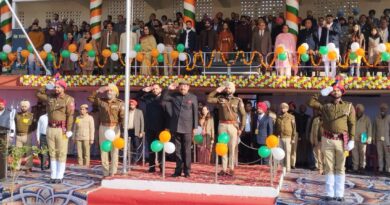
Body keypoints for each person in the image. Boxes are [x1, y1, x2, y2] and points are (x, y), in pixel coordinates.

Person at [307, 81, 356, 202]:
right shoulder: (325, 106)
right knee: (328, 167)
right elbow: (311, 102)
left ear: (342, 92)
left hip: (341, 140)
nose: (336, 91)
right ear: (331, 92)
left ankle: (339, 194)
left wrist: (352, 139)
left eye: (338, 90)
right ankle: (329, 193)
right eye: (333, 90)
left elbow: (352, 124)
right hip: (327, 139)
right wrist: (321, 92)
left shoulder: (348, 106)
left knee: (340, 167)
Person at [36, 79, 75, 184]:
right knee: (52, 152)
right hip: (50, 129)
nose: (56, 89)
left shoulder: (68, 99)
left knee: (61, 152)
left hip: (61, 129)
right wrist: (47, 85)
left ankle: (60, 175)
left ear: (63, 88)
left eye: (58, 87)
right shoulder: (50, 97)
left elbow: (70, 116)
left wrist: (69, 130)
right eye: (55, 87)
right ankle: (53, 175)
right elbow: (39, 94)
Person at [207, 82, 246, 176]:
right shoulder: (220, 98)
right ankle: (224, 168)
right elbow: (209, 99)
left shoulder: (238, 100)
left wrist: (241, 128)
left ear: (233, 89)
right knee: (223, 147)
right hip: (222, 125)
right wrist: (216, 90)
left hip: (233, 126)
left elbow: (243, 114)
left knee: (232, 147)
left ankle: (231, 168)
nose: (228, 89)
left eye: (229, 88)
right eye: (226, 88)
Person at [163, 80, 198, 178]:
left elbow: (195, 113)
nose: (183, 88)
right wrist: (167, 88)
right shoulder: (174, 96)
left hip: (187, 127)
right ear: (179, 87)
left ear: (188, 87)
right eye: (181, 87)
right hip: (176, 127)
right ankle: (178, 170)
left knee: (186, 150)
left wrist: (195, 127)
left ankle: (187, 171)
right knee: (177, 150)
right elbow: (163, 98)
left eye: (185, 86)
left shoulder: (193, 97)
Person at [88, 84, 124, 177]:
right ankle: (105, 172)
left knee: (114, 150)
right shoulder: (101, 101)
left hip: (115, 127)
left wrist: (123, 130)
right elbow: (90, 98)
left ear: (116, 93)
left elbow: (123, 117)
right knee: (104, 150)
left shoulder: (120, 103)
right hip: (103, 127)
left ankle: (113, 171)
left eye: (111, 90)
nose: (109, 92)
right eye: (108, 91)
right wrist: (99, 90)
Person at [137, 84, 167, 173]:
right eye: (153, 89)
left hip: (161, 127)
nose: (154, 90)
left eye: (156, 88)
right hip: (150, 126)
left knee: (161, 148)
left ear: (160, 89)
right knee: (151, 148)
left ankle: (162, 166)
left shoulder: (164, 97)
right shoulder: (148, 97)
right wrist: (144, 90)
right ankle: (152, 167)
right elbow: (137, 97)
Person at [275, 102, 296, 172]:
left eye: (284, 108)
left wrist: (293, 138)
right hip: (279, 137)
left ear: (287, 109)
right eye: (281, 108)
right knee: (280, 153)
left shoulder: (291, 117)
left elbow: (294, 128)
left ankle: (287, 168)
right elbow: (276, 127)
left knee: (287, 152)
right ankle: (281, 167)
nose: (282, 109)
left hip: (288, 137)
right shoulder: (278, 117)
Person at [14, 100, 34, 173]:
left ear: (28, 107)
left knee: (28, 152)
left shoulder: (31, 115)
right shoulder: (17, 115)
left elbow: (33, 126)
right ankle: (16, 167)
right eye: (22, 106)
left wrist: (29, 133)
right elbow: (14, 124)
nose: (23, 108)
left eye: (25, 106)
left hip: (27, 136)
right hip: (18, 136)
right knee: (17, 152)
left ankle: (28, 167)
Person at [352, 104, 372, 173]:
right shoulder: (352, 117)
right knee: (355, 154)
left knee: (362, 153)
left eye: (359, 109)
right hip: (354, 137)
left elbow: (369, 129)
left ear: (362, 110)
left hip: (363, 137)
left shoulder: (367, 118)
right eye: (357, 109)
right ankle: (355, 168)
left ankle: (362, 167)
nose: (358, 110)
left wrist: (369, 138)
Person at [373, 103, 390, 174]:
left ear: (386, 110)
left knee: (388, 155)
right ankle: (380, 169)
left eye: (384, 108)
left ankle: (388, 170)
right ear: (380, 109)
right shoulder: (377, 118)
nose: (383, 109)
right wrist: (373, 139)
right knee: (380, 155)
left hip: (387, 140)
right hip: (378, 139)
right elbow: (374, 129)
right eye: (381, 108)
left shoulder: (389, 117)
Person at [126, 99, 144, 164]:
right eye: (130, 104)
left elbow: (142, 122)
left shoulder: (139, 112)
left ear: (135, 105)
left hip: (136, 131)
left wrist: (141, 131)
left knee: (136, 145)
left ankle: (135, 159)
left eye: (133, 105)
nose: (131, 105)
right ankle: (128, 159)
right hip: (128, 131)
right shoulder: (126, 112)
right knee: (128, 146)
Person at [0, 98, 14, 181]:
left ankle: (2, 175)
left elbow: (12, 125)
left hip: (5, 136)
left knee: (3, 155)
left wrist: (11, 136)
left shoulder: (9, 113)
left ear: (4, 104)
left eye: (1, 104)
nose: (0, 105)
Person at [309, 109, 323, 174]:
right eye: (319, 111)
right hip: (316, 139)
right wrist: (312, 139)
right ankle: (317, 166)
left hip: (324, 140)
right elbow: (312, 130)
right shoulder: (315, 120)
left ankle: (323, 167)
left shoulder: (327, 119)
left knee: (323, 155)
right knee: (316, 153)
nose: (320, 112)